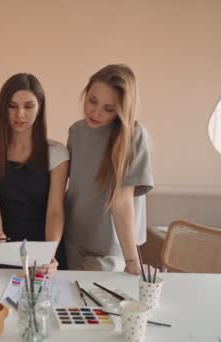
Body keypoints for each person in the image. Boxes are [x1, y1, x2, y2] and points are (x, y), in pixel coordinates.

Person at [64, 64, 154, 275]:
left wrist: (132, 260)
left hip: (111, 251)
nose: (95, 112)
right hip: (73, 242)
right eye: (92, 101)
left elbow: (122, 202)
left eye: (109, 108)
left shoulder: (134, 136)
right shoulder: (76, 132)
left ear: (123, 109)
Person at [0, 73, 69, 273]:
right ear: (3, 109)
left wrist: (48, 252)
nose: (20, 114)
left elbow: (55, 212)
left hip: (44, 246)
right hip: (2, 242)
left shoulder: (57, 153)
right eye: (12, 106)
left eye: (28, 106)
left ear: (40, 107)